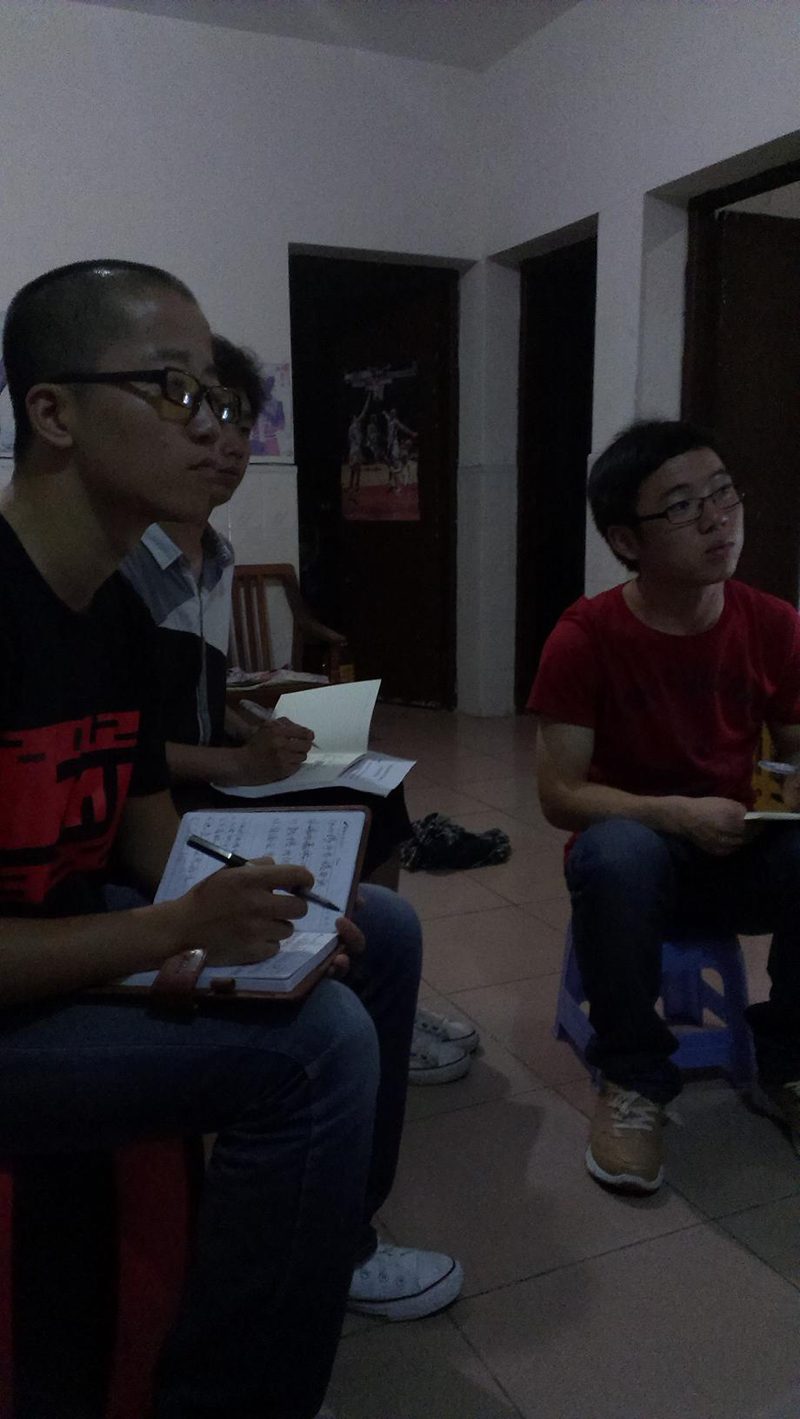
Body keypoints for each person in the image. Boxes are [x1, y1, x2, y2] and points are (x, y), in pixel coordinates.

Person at [0, 259, 462, 1419]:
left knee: (375, 928)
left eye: (218, 397)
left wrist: (266, 907)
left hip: (64, 946)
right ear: (52, 412)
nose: (216, 428)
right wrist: (174, 931)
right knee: (316, 1048)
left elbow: (146, 829)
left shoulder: (108, 612)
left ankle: (332, 1247)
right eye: (175, 390)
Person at [120, 334, 479, 1087]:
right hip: (157, 798)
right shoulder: (122, 565)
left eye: (239, 419)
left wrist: (256, 729)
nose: (226, 441)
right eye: (197, 411)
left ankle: (363, 982)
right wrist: (239, 762)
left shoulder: (213, 556)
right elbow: (125, 743)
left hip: (205, 766)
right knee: (343, 810)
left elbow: (194, 697)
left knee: (372, 788)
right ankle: (337, 986)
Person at [529, 419, 800, 1195]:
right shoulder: (584, 638)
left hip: (735, 851)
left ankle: (789, 1059)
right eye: (683, 506)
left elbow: (795, 751)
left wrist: (785, 797)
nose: (718, 519)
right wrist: (679, 814)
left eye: (723, 493)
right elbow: (559, 795)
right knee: (618, 852)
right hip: (636, 864)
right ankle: (634, 1079)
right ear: (627, 540)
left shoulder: (773, 624)